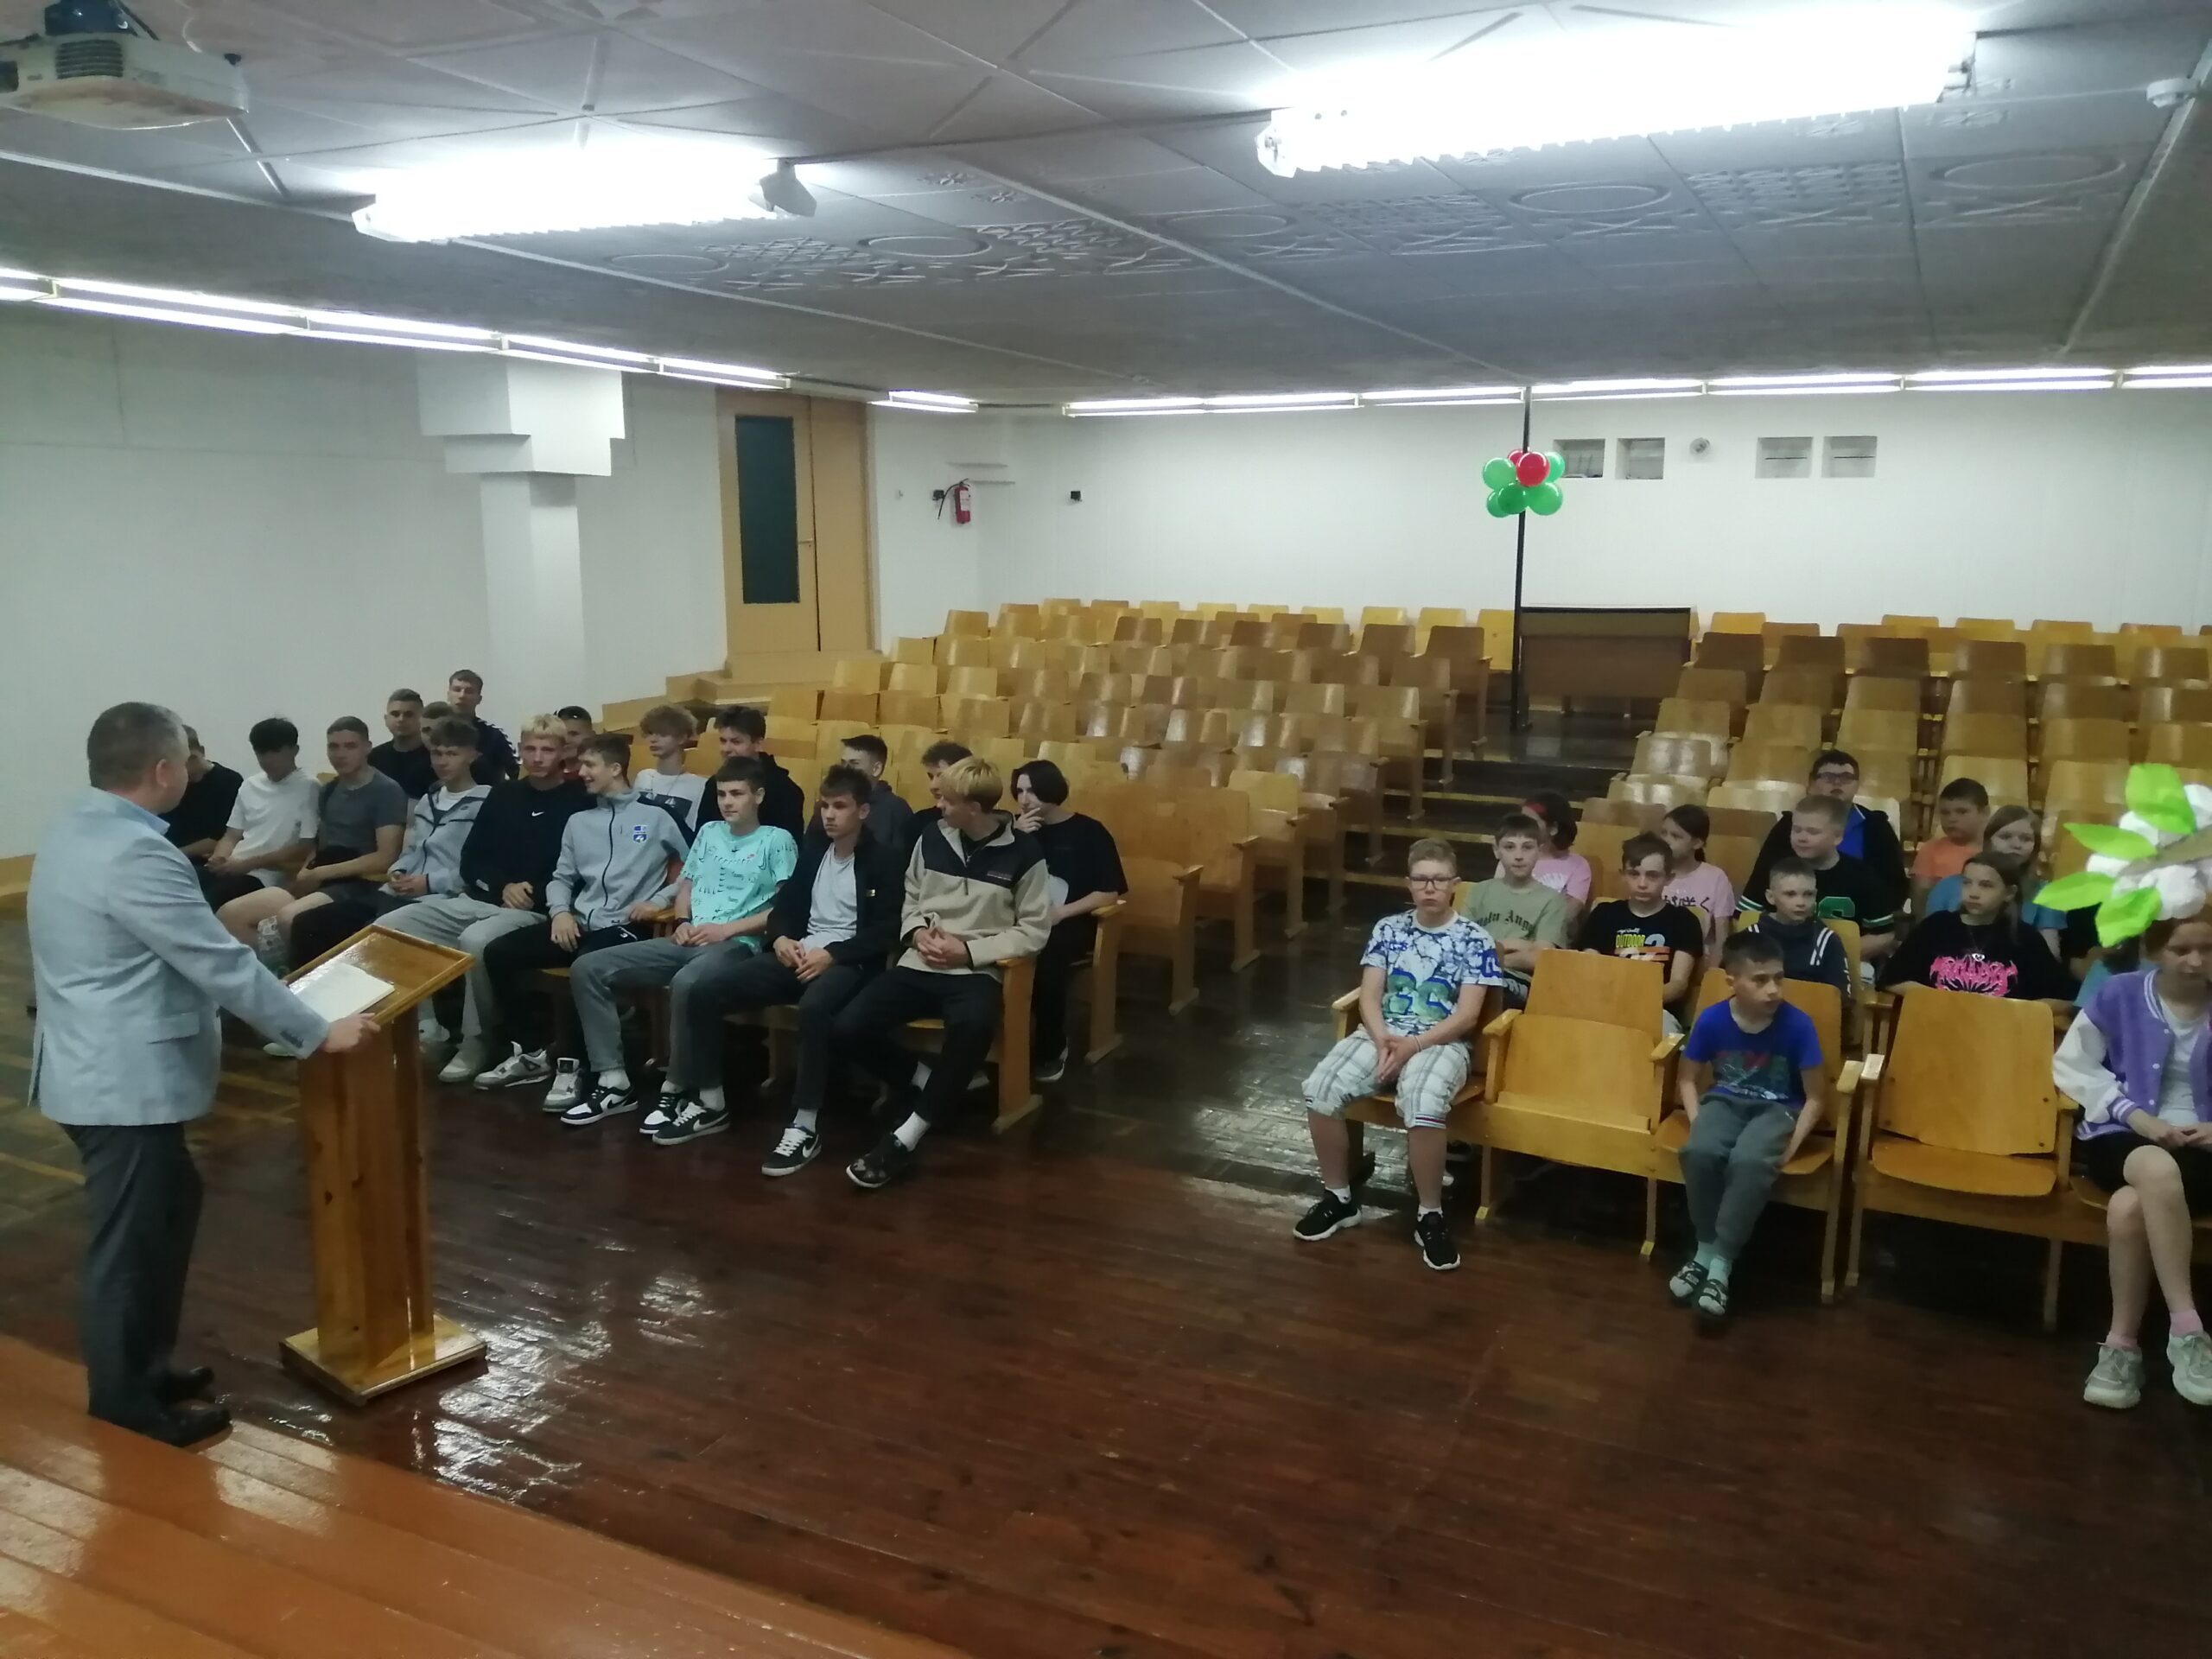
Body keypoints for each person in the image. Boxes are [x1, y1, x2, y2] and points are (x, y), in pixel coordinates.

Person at [29, 702, 373, 1445]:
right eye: (185, 760)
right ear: (163, 770)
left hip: (98, 1068)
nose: (192, 771)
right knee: (131, 1244)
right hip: (121, 1082)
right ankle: (125, 1397)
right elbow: (218, 961)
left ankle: (146, 1365)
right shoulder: (137, 854)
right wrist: (316, 1032)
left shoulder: (74, 828)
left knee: (165, 1214)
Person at [836, 756, 1051, 1191]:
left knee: (973, 1027)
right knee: (847, 1028)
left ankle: (906, 1137)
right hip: (920, 961)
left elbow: (1033, 930)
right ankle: (928, 1083)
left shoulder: (1025, 853)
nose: (939, 807)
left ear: (975, 807)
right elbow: (911, 897)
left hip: (977, 970)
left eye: (948, 801)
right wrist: (917, 934)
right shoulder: (932, 835)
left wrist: (968, 952)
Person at [556, 756, 798, 1138]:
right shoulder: (709, 832)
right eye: (722, 794)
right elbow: (686, 885)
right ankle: (613, 1079)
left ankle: (675, 1086)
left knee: (688, 983)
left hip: (736, 944)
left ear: (758, 796)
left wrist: (725, 930)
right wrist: (683, 921)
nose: (727, 802)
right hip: (686, 937)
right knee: (588, 968)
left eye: (737, 794)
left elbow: (785, 908)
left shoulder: (777, 840)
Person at [1294, 839, 1504, 1274]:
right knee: (1320, 1088)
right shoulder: (1388, 929)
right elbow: (1369, 995)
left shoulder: (1475, 938)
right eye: (1421, 879)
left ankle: (1430, 1214)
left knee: (1423, 1102)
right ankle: (1339, 1197)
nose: (1430, 888)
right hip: (1383, 1034)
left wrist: (1414, 1045)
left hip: (1442, 1041)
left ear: (1455, 884)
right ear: (1408, 884)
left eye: (1439, 880)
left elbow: (1467, 1016)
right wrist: (1382, 1039)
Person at [2057, 915, 2212, 1410]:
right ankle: (2188, 1330)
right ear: (2154, 950)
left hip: (2202, 1150)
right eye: (2181, 950)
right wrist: (2134, 1115)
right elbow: (2071, 1064)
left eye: (2207, 949)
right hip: (2122, 1134)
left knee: (2129, 1208)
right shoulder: (2120, 992)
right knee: (2156, 1170)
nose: (2196, 961)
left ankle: (2121, 1348)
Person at [474, 734, 687, 1093]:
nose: (581, 772)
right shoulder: (579, 821)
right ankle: (531, 1052)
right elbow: (562, 877)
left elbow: (696, 867)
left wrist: (659, 900)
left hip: (630, 925)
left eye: (589, 765)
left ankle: (573, 1066)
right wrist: (560, 912)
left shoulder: (657, 816)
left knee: (583, 965)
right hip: (581, 920)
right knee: (498, 953)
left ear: (615, 768)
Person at [381, 715, 590, 1082]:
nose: (537, 757)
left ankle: (476, 1042)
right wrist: (502, 885)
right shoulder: (504, 794)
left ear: (563, 752)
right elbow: (472, 858)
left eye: (547, 750)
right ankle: (428, 1029)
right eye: (530, 749)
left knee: (475, 941)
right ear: (520, 750)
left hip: (537, 909)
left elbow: (580, 867)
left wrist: (529, 891)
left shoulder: (579, 801)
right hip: (484, 897)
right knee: (392, 926)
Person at [1667, 931, 1827, 1327]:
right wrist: (1699, 1121)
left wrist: (1793, 1146)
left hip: (1778, 1110)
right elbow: (1687, 1079)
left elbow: (1815, 1098)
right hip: (1724, 1102)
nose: (1773, 990)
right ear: (1732, 981)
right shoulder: (1712, 1019)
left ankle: (1721, 1263)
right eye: (1760, 980)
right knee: (1699, 1151)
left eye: (1779, 978)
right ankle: (1704, 1249)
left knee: (1750, 1161)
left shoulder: (1798, 1025)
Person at [283, 718, 489, 969]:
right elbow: (413, 850)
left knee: (367, 936)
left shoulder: (486, 803)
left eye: (452, 754)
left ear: (472, 756)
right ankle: (307, 991)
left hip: (441, 898)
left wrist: (428, 882)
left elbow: (480, 868)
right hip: (398, 891)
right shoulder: (429, 800)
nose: (442, 761)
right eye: (437, 753)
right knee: (309, 923)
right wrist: (398, 871)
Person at [214, 716, 407, 954]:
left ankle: (298, 973)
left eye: (350, 746)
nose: (340, 754)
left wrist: (321, 873)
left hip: (361, 883)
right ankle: (272, 971)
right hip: (321, 875)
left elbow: (385, 857)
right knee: (230, 914)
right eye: (333, 747)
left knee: (291, 917)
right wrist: (305, 873)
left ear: (367, 747)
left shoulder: (386, 790)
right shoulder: (329, 789)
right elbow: (319, 846)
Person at [1011, 760, 1127, 1083]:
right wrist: (1016, 840)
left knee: (1046, 959)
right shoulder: (1014, 830)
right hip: (1020, 918)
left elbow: (1108, 892)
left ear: (1052, 791)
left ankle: (1051, 1047)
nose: (1024, 800)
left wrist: (1060, 913)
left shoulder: (1089, 832)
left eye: (1032, 791)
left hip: (1071, 921)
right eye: (1019, 791)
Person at [1878, 852, 2074, 1008]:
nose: (1973, 893)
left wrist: (2012, 1011)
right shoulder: (1936, 926)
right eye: (1967, 883)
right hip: (1937, 1026)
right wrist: (1942, 1001)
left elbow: (2062, 999)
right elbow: (1893, 980)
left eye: (1986, 886)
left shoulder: (2025, 938)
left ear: (2009, 893)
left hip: (1997, 1034)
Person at [1738, 794, 1898, 962]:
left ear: (1838, 837)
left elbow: (1883, 935)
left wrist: (1829, 956)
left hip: (1842, 962)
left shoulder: (1862, 875)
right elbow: (1744, 918)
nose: (1802, 838)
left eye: (1812, 832)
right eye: (1796, 830)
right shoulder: (1775, 869)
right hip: (1774, 960)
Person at [1743, 750, 1908, 912]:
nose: (1837, 783)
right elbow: (1762, 878)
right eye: (1828, 777)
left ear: (1857, 785)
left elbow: (1894, 886)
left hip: (1855, 921)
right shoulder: (1789, 824)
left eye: (1846, 777)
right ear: (1812, 783)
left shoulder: (1876, 827)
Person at [1576, 832, 1704, 1029]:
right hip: (1604, 1004)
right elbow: (1590, 968)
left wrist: (1635, 1001)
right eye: (1634, 874)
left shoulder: (1684, 920)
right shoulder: (1604, 914)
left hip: (1658, 1010)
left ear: (1669, 878)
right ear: (1623, 875)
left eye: (1652, 875)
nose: (1642, 884)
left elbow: (1678, 984)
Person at [198, 716, 316, 911]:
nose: (266, 760)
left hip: (266, 874)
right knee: (179, 884)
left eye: (275, 751)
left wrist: (247, 864)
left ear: (294, 750)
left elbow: (304, 846)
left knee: (207, 901)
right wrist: (219, 857)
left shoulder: (309, 787)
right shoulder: (250, 784)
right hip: (232, 865)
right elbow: (232, 835)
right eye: (260, 752)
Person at [1458, 811, 1568, 1009]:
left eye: (1527, 847)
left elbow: (1539, 959)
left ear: (1539, 850)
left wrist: (1489, 953)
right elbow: (1460, 945)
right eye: (1509, 847)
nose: (1518, 856)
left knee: (1489, 990)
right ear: (1496, 850)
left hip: (1516, 981)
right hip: (1469, 975)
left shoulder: (1553, 901)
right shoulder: (1478, 891)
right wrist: (1515, 946)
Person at [1924, 804, 2066, 951]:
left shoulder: (2046, 893)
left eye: (2026, 839)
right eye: (2005, 837)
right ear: (1988, 841)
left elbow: (2049, 953)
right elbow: (1929, 941)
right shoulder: (1947, 886)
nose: (2016, 845)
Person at [1743, 858, 1853, 1005]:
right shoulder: (1750, 937)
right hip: (1756, 1014)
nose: (1801, 903)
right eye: (1790, 894)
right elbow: (1730, 988)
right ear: (1771, 897)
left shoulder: (1827, 941)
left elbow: (1840, 1000)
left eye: (1808, 894)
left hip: (1810, 1015)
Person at [711, 705, 803, 837]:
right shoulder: (713, 784)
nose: (726, 749)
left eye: (736, 742)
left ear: (758, 744)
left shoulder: (785, 791)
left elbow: (789, 844)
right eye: (723, 741)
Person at [1657, 804, 1735, 957]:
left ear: (1697, 843)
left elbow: (1722, 939)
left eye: (1676, 836)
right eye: (1664, 833)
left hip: (1699, 959)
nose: (1666, 841)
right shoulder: (1652, 871)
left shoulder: (1716, 877)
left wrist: (1711, 970)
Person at [160, 726, 241, 861]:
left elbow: (222, 837)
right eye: (181, 762)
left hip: (205, 862)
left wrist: (173, 855)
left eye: (192, 758)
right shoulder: (171, 784)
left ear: (202, 751)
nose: (188, 767)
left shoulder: (229, 781)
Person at [1910, 777, 1989, 916]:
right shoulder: (1931, 850)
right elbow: (1920, 902)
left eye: (1962, 812)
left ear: (1984, 813)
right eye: (1945, 813)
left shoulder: (1995, 850)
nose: (1952, 819)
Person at [632, 702, 709, 840]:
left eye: (663, 734)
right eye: (650, 733)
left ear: (682, 737)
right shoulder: (643, 777)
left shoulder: (700, 786)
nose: (653, 739)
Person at [1522, 791, 1592, 929]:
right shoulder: (1513, 859)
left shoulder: (1578, 865)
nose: (1523, 828)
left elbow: (1568, 913)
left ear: (1553, 829)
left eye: (1530, 822)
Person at [839, 734, 914, 849]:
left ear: (876, 769)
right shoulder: (831, 803)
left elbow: (902, 856)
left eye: (854, 764)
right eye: (843, 763)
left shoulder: (896, 809)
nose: (845, 770)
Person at [448, 668, 517, 784]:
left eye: (469, 691)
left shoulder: (494, 735)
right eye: (457, 690)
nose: (462, 696)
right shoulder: (434, 731)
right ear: (448, 694)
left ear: (479, 699)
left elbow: (518, 772)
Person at [903, 740, 972, 851]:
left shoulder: (980, 823)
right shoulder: (920, 822)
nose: (933, 786)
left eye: (942, 776)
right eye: (931, 777)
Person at [368, 688, 436, 800]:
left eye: (409, 714)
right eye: (395, 714)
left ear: (422, 719)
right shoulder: (373, 758)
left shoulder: (436, 757)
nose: (401, 719)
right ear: (386, 719)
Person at [557, 705, 595, 780]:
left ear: (592, 735)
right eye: (562, 734)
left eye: (574, 734)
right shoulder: (549, 774)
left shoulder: (601, 775)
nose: (566, 740)